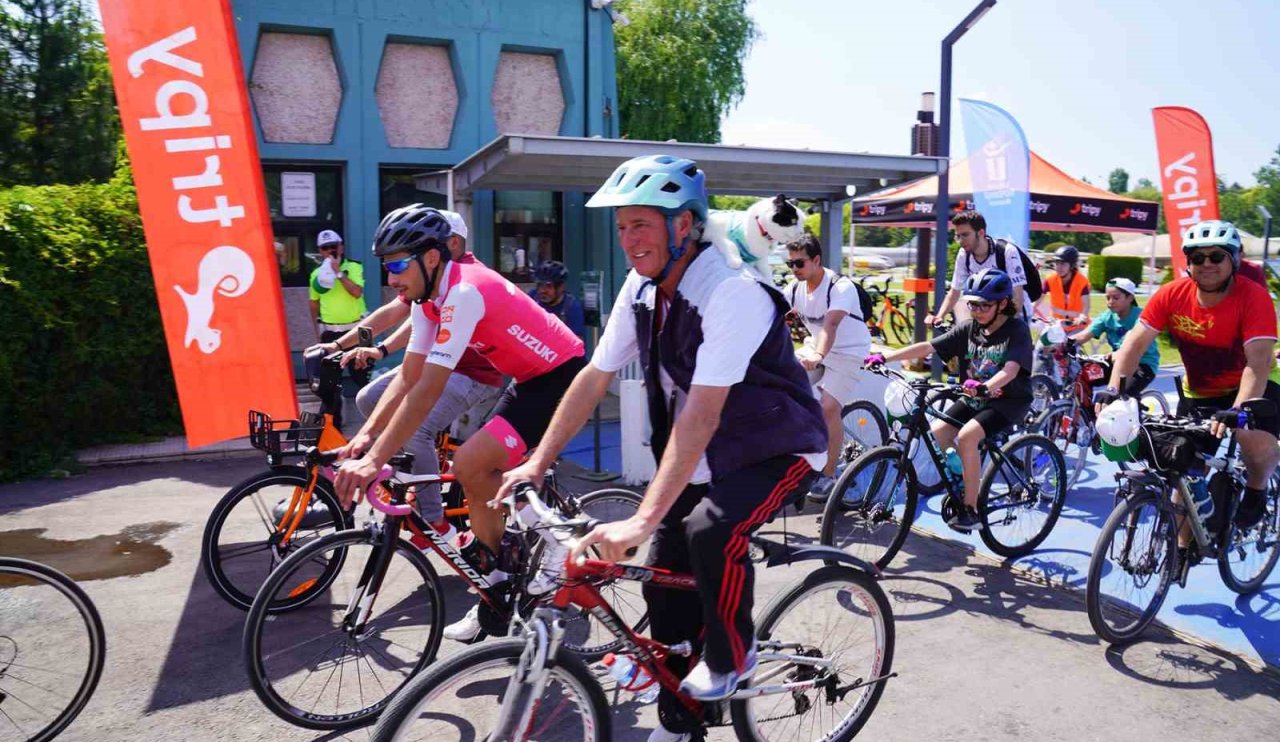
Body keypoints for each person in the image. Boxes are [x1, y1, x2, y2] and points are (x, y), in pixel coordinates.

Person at [495, 154, 826, 740]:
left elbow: (700, 413)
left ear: (683, 226)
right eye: (622, 227)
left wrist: (640, 519)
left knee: (711, 531)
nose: (628, 240)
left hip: (778, 445)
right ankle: (683, 715)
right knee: (663, 585)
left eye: (640, 225)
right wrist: (536, 462)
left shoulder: (732, 293)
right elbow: (594, 376)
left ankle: (732, 656)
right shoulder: (643, 289)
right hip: (707, 455)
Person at [332, 204, 586, 641]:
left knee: (472, 462)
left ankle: (556, 548)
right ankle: (497, 584)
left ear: (431, 258)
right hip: (526, 379)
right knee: (473, 471)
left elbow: (427, 388)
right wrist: (368, 439)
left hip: (562, 376)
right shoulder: (427, 299)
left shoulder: (464, 293)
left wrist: (375, 460)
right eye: (385, 266)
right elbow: (408, 377)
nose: (390, 279)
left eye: (396, 264)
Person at [311, 210, 505, 539]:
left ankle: (433, 522)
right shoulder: (429, 280)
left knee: (417, 431)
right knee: (368, 398)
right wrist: (341, 346)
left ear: (451, 244)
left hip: (475, 374)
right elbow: (404, 314)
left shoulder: (465, 279)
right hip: (439, 366)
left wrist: (373, 447)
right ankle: (419, 469)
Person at [1099, 220, 1279, 531]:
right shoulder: (1171, 294)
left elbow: (1258, 363)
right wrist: (1115, 388)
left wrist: (1238, 410)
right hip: (1200, 391)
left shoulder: (1253, 297)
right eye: (1198, 258)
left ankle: (1256, 489)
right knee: (1183, 471)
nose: (1207, 264)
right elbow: (1135, 343)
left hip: (1253, 387)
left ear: (1233, 259)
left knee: (1251, 438)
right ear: (1189, 263)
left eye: (1216, 256)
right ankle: (1181, 552)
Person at [868, 269, 1034, 531]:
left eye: (984, 305)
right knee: (938, 433)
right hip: (974, 396)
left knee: (968, 436)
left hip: (1008, 400)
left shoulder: (1017, 330)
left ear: (1003, 304)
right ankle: (967, 476)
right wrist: (884, 357)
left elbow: (1010, 370)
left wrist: (984, 387)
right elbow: (927, 347)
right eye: (972, 305)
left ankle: (972, 509)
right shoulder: (969, 328)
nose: (976, 311)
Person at [781, 233, 872, 501]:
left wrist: (819, 354)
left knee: (828, 408)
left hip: (848, 353)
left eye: (800, 263)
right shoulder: (795, 289)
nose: (795, 269)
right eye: (790, 264)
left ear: (817, 260)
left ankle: (829, 474)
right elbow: (770, 313)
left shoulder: (839, 286)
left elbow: (830, 325)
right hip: (815, 349)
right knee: (782, 392)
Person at [926, 210, 1033, 326]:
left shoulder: (1006, 252)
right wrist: (939, 317)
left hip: (1016, 314)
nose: (961, 241)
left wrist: (999, 326)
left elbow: (1018, 296)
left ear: (981, 233)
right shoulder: (964, 254)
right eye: (958, 236)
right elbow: (955, 291)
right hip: (986, 315)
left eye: (965, 235)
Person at [308, 229, 369, 429]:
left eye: (334, 246)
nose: (330, 251)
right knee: (330, 382)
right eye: (325, 248)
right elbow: (314, 303)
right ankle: (333, 428)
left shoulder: (353, 267)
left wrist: (338, 273)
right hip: (331, 333)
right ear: (320, 251)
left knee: (364, 378)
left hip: (357, 331)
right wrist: (318, 330)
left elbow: (357, 293)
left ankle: (381, 422)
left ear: (341, 247)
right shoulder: (316, 275)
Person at [1064, 277, 1158, 395]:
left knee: (1118, 396)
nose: (1110, 302)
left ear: (1130, 298)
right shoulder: (1107, 317)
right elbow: (1084, 335)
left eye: (1116, 298)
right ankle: (1086, 412)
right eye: (1108, 298)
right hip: (1116, 363)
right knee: (1084, 376)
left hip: (1142, 365)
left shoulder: (1141, 317)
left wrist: (1118, 354)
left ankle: (1129, 409)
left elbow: (1139, 347)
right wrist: (1065, 343)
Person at [1036, 244, 1091, 332]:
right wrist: (1030, 310)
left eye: (1063, 264)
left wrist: (1082, 317)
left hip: (1076, 326)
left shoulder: (1082, 282)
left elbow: (1086, 306)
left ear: (1072, 265)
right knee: (1042, 345)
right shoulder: (1050, 280)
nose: (1059, 267)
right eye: (1057, 263)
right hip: (1055, 324)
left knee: (1070, 345)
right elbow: (1038, 299)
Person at [529, 260, 587, 338]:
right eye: (540, 285)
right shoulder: (532, 298)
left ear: (561, 287)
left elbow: (576, 343)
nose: (542, 290)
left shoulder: (572, 308)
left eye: (548, 286)